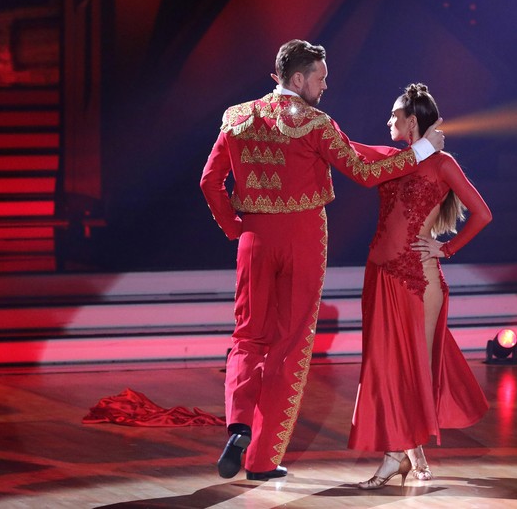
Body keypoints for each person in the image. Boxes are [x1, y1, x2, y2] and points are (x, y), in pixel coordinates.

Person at [199, 40, 445, 481]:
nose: (326, 85)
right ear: (298, 79)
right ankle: (260, 460)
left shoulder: (236, 117)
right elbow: (363, 170)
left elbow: (209, 180)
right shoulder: (315, 123)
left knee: (248, 336)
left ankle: (237, 424)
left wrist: (235, 227)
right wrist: (422, 153)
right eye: (320, 77)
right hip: (303, 238)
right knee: (289, 346)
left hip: (254, 237)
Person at [348, 83, 492, 489]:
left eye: (395, 115)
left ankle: (404, 454)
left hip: (418, 278)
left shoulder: (444, 163)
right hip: (378, 274)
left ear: (413, 121)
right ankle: (403, 453)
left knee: (414, 368)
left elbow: (482, 213)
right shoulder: (392, 159)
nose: (389, 120)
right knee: (384, 367)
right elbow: (343, 147)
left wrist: (445, 249)